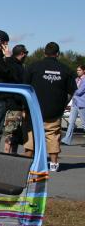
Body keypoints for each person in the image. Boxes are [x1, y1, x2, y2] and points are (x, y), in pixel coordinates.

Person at [24, 42, 77, 171]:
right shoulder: (66, 70)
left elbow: (24, 87)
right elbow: (72, 91)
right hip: (54, 110)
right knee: (53, 136)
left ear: (44, 52)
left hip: (34, 109)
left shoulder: (34, 67)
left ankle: (27, 163)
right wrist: (63, 104)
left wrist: (24, 107)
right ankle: (53, 164)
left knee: (31, 135)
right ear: (58, 54)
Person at [2, 44, 28, 153]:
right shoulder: (18, 67)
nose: (26, 55)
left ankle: (11, 155)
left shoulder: (8, 63)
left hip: (10, 102)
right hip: (14, 104)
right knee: (11, 134)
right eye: (26, 53)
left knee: (14, 133)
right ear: (22, 54)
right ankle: (8, 155)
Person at [61, 65, 85, 146]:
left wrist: (71, 90)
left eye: (79, 70)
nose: (78, 72)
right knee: (71, 122)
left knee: (84, 123)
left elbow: (79, 91)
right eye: (77, 70)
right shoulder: (76, 79)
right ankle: (66, 140)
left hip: (82, 104)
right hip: (75, 104)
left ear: (84, 71)